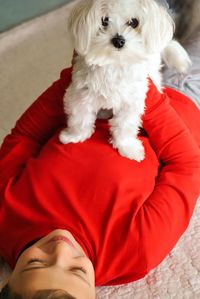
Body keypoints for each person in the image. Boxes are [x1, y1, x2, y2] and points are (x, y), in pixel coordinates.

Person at [0, 20, 200, 299]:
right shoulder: (136, 249)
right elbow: (187, 166)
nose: (61, 248)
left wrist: (75, 79)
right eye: (77, 271)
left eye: (36, 262)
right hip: (177, 104)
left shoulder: (5, 215)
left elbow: (24, 138)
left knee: (140, 14)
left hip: (96, 91)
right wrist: (144, 93)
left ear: (7, 282)